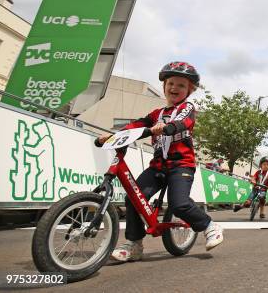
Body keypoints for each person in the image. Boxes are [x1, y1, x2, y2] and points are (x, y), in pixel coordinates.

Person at [96, 61, 224, 262]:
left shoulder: (187, 107)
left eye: (181, 85)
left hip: (181, 165)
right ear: (164, 86)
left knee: (179, 204)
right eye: (171, 83)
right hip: (157, 167)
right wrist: (111, 136)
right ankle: (134, 244)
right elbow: (136, 125)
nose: (175, 88)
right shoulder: (156, 114)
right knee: (133, 198)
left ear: (189, 91)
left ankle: (209, 225)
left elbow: (184, 122)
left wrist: (167, 127)